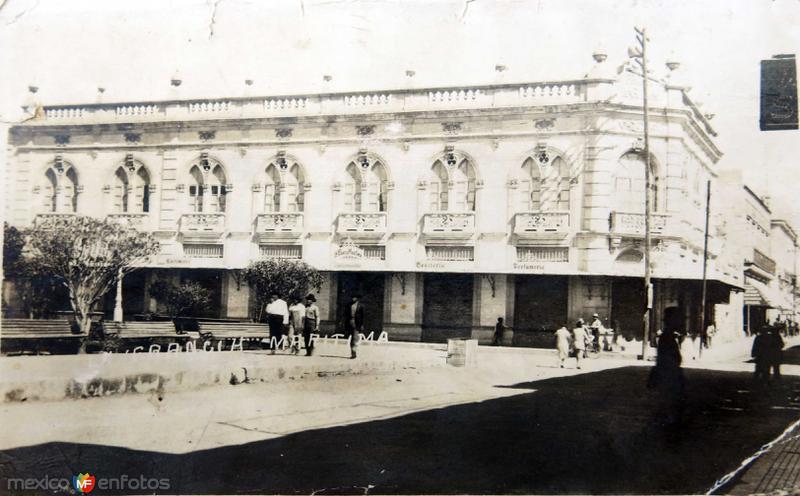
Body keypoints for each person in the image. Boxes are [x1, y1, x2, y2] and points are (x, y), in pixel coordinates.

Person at [647, 330, 685, 427]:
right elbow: (678, 358)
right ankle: (670, 417)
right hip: (671, 373)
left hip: (664, 372)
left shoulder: (662, 343)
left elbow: (661, 359)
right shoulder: (671, 343)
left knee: (665, 396)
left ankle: (665, 417)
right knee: (672, 396)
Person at [343, 294, 365, 359]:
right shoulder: (348, 305)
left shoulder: (361, 306)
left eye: (354, 297)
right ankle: (352, 352)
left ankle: (354, 353)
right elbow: (345, 314)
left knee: (355, 339)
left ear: (357, 298)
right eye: (352, 297)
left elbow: (363, 317)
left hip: (357, 324)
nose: (353, 298)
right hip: (350, 323)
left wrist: (362, 325)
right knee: (351, 339)